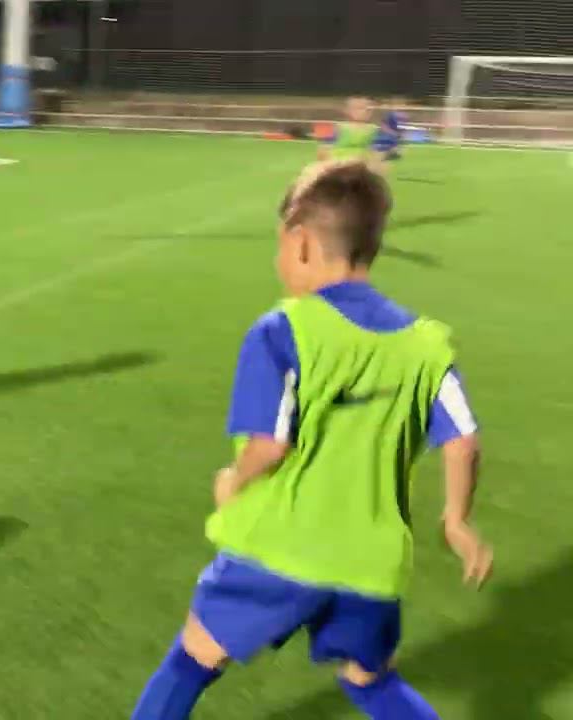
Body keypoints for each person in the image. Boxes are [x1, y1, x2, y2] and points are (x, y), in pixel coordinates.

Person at [129, 161, 491, 720]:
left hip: (280, 547)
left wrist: (233, 480)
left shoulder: (283, 331)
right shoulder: (427, 344)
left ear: (299, 243)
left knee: (192, 660)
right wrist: (457, 520)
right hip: (370, 561)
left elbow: (270, 445)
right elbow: (463, 441)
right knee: (371, 682)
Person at [319, 97, 381, 170]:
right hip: (338, 166)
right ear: (348, 110)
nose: (365, 111)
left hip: (362, 166)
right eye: (359, 108)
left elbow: (377, 152)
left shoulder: (375, 130)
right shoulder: (334, 127)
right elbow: (323, 152)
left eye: (369, 109)